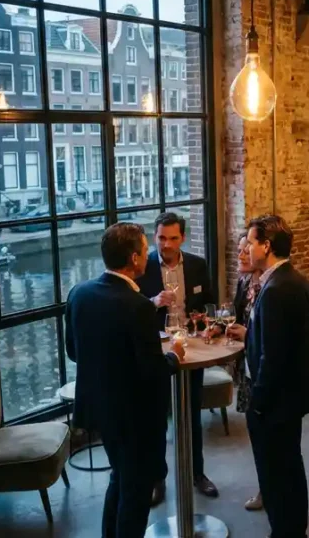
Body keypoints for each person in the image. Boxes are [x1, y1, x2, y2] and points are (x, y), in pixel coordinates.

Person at [66, 223, 185, 538]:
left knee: (119, 479)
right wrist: (175, 355)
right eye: (146, 251)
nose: (148, 256)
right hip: (136, 417)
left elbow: (74, 352)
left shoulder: (79, 293)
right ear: (134, 259)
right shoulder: (138, 306)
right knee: (136, 493)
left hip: (101, 411)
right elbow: (152, 370)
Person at [136, 212, 218, 503]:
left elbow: (209, 300)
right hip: (155, 352)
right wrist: (152, 302)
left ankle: (198, 473)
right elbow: (129, 308)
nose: (166, 244)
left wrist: (203, 318)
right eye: (161, 238)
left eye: (172, 238)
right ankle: (158, 478)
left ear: (182, 238)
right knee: (157, 416)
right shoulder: (142, 268)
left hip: (189, 348)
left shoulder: (197, 265)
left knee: (191, 413)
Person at [244, 214, 309, 538]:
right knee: (290, 464)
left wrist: (257, 402)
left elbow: (271, 356)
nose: (246, 247)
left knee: (275, 472)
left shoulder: (276, 289)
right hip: (292, 395)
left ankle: (285, 531)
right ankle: (294, 528)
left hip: (276, 401)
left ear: (267, 245)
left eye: (251, 241)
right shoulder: (294, 279)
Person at [226, 233, 264, 512]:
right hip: (249, 369)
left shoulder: (270, 288)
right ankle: (266, 487)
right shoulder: (243, 282)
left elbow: (271, 336)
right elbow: (238, 318)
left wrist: (246, 333)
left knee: (268, 438)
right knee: (256, 434)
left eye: (245, 250)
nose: (240, 255)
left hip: (264, 372)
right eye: (239, 251)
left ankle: (269, 492)